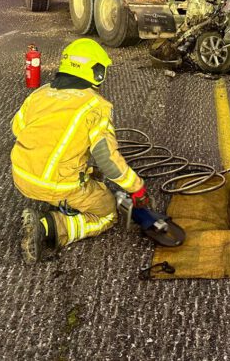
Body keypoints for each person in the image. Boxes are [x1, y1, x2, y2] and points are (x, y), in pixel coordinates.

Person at [10, 38, 148, 264]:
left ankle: (57, 198)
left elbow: (17, 128)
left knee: (91, 173)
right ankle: (47, 227)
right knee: (107, 212)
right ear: (96, 72)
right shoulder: (95, 106)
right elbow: (108, 159)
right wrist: (137, 188)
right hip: (57, 184)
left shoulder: (40, 94)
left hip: (22, 177)